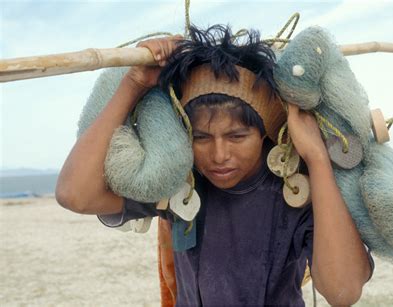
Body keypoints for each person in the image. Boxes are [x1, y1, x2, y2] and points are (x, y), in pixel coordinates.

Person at [56, 25, 374, 306]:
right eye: (202, 137)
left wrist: (317, 159)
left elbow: (343, 292)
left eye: (237, 136)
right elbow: (75, 194)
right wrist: (134, 83)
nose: (219, 155)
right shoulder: (183, 187)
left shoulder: (293, 191)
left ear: (264, 133)